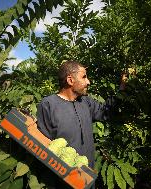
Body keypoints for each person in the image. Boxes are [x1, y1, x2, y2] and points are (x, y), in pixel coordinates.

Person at [36, 60, 127, 188]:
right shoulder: (48, 105)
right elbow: (44, 145)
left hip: (88, 177)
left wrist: (122, 88)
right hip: (64, 181)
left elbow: (105, 112)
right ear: (70, 80)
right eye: (84, 77)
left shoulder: (85, 102)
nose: (88, 81)